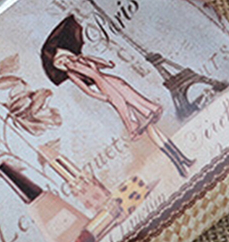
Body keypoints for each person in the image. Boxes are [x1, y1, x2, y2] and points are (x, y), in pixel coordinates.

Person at [42, 15, 194, 177]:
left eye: (63, 57)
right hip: (107, 90)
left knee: (149, 124)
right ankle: (179, 161)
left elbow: (101, 64)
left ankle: (181, 160)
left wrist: (98, 62)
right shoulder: (72, 74)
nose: (64, 62)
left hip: (115, 82)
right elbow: (87, 90)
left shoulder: (82, 60)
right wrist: (104, 97)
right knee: (146, 125)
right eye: (59, 63)